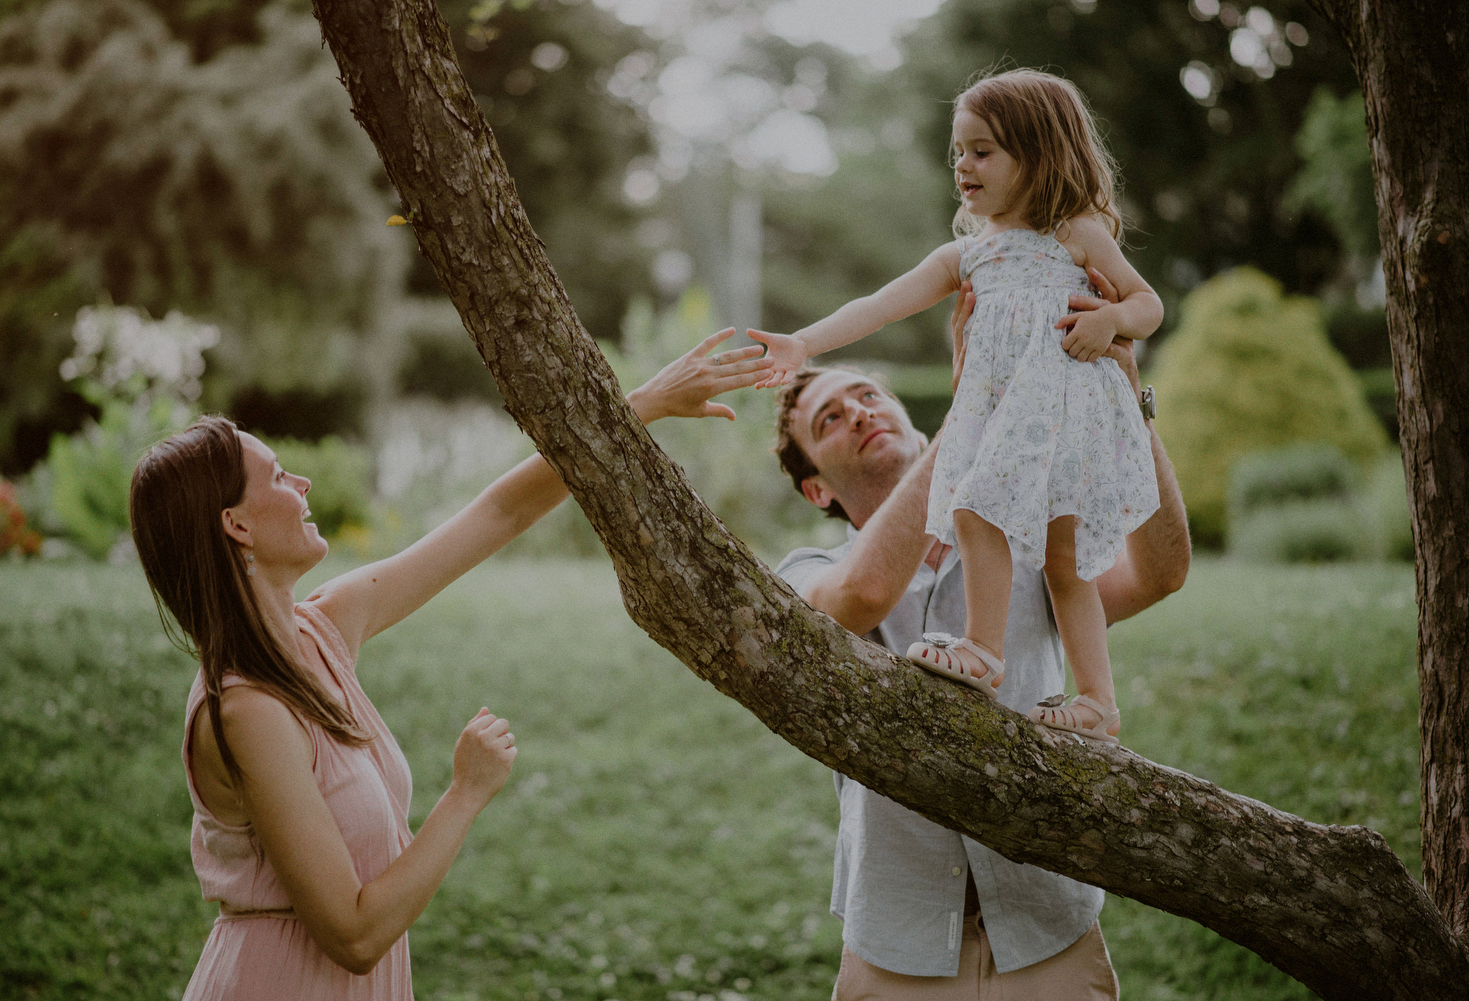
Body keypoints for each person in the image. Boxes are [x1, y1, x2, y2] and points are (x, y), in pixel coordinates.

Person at [128, 330, 772, 1000]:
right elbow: (352, 933)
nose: (304, 481)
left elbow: (502, 510)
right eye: (279, 476)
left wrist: (642, 404)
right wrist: (466, 791)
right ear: (236, 525)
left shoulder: (324, 626)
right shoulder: (247, 709)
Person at [770, 277, 1190, 998]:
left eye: (868, 394)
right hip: (897, 945)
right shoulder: (808, 572)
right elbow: (862, 596)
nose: (858, 412)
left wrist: (1127, 387)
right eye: (829, 418)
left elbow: (1158, 573)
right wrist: (975, 405)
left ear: (910, 419)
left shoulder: (1026, 539)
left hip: (1046, 924)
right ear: (818, 490)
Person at [752, 69, 1165, 744]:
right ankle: (1047, 677)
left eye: (981, 151)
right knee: (1014, 532)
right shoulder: (968, 256)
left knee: (1027, 537)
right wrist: (803, 341)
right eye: (958, 153)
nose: (962, 167)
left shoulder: (1078, 237)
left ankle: (1033, 670)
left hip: (1070, 421)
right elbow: (879, 306)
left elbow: (1148, 304)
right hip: (1020, 427)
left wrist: (1110, 318)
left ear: (1037, 156)